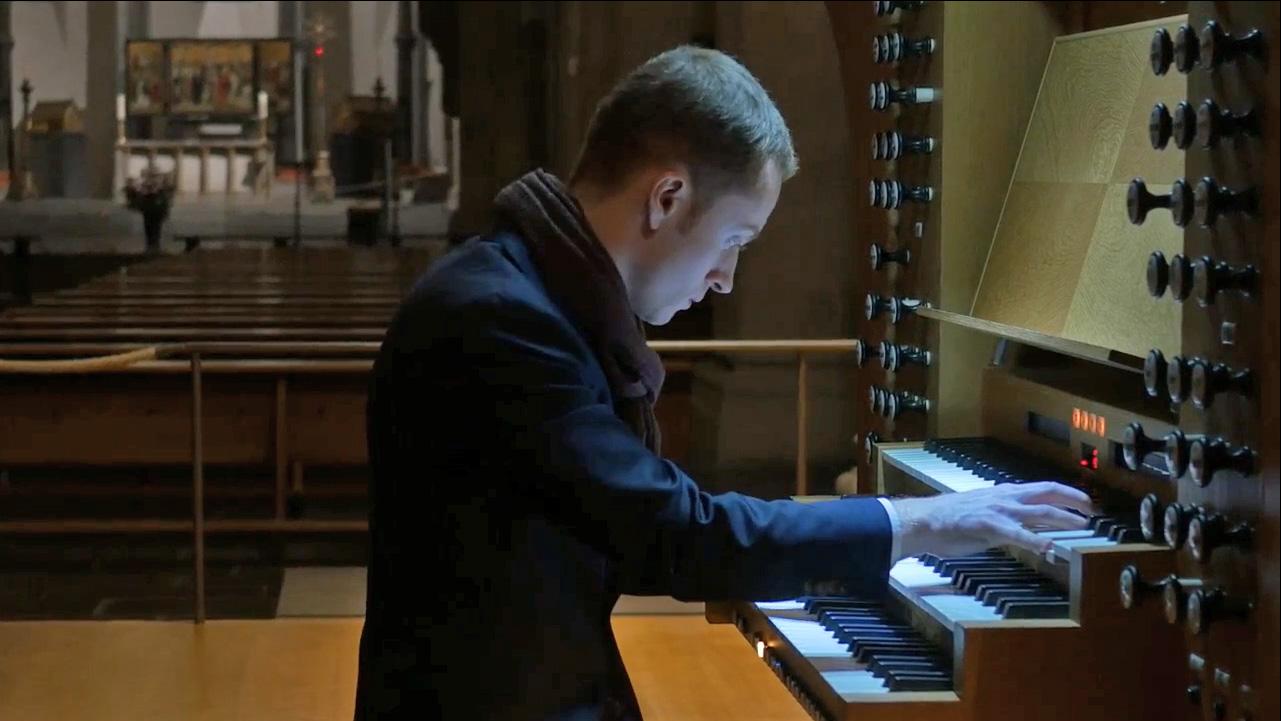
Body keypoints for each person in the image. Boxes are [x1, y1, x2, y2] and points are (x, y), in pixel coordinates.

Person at [353, 45, 1094, 721]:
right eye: (733, 240)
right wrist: (921, 521)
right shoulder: (501, 319)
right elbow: (674, 535)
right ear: (666, 196)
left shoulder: (525, 293)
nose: (723, 277)